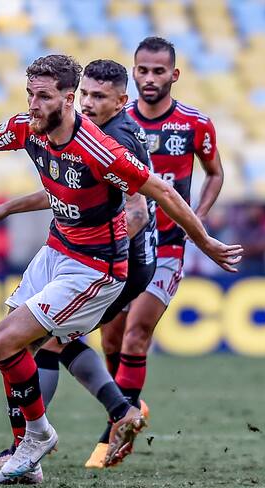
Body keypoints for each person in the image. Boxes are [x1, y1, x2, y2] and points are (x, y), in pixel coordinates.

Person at [0, 54, 242, 486]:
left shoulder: (101, 147)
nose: (33, 104)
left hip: (96, 267)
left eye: (42, 96)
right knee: (20, 346)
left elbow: (160, 193)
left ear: (67, 99)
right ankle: (31, 453)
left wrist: (204, 241)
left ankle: (43, 436)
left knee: (8, 340)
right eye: (29, 94)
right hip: (57, 250)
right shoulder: (29, 128)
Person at [0, 59, 158, 475]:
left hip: (116, 260)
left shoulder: (113, 138)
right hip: (94, 255)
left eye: (99, 97)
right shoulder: (82, 130)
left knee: (41, 340)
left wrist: (94, 253)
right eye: (85, 94)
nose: (88, 103)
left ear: (121, 102)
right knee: (48, 338)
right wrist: (8, 207)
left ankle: (31, 445)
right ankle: (119, 410)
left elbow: (138, 211)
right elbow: (66, 188)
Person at [80, 37, 225, 463]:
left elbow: (215, 173)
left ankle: (113, 437)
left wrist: (195, 219)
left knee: (137, 333)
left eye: (158, 71)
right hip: (124, 243)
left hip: (168, 245)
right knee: (111, 339)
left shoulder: (195, 124)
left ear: (173, 75)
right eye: (142, 70)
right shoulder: (113, 120)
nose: (149, 78)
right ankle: (128, 407)